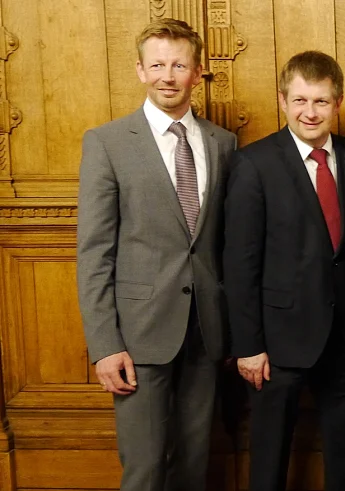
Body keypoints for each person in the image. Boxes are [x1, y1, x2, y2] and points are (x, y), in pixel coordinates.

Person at [76, 18, 237, 491]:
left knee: (194, 465)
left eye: (179, 64)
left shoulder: (222, 144)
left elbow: (227, 243)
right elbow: (94, 253)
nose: (169, 75)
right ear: (141, 71)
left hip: (206, 333)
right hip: (138, 336)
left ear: (198, 71)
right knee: (144, 468)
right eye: (158, 65)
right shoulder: (107, 143)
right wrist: (105, 344)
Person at [223, 51, 345, 491]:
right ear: (283, 100)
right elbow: (239, 262)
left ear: (338, 103)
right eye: (301, 100)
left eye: (321, 101)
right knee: (269, 456)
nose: (310, 112)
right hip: (277, 341)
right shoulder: (254, 164)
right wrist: (248, 346)